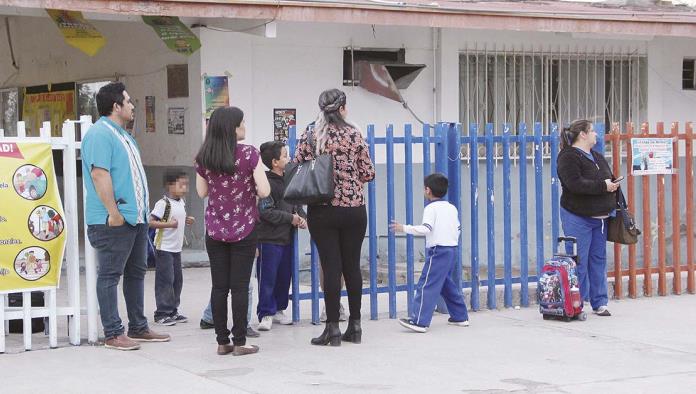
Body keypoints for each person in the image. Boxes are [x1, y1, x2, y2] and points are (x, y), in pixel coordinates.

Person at [82, 81, 170, 351]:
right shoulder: (99, 134)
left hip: (135, 219)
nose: (133, 106)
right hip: (113, 220)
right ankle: (112, 332)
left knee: (136, 273)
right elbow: (100, 174)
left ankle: (138, 327)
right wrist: (114, 213)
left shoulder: (124, 135)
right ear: (116, 105)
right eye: (129, 101)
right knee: (110, 274)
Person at [294, 88, 375, 346]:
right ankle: (356, 326)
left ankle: (332, 329)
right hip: (354, 210)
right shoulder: (355, 134)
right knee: (352, 266)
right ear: (342, 108)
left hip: (323, 209)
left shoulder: (312, 134)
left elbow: (298, 163)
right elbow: (368, 174)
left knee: (331, 266)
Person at [195, 106, 270, 356]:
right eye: (242, 123)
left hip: (215, 230)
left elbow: (202, 192)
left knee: (219, 287)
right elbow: (265, 190)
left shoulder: (204, 157)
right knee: (239, 287)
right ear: (232, 128)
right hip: (244, 229)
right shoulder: (249, 154)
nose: (245, 127)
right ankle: (240, 342)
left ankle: (222, 342)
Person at [390, 173, 470, 332]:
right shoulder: (451, 207)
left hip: (438, 251)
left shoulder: (430, 208)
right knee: (446, 284)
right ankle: (460, 316)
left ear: (427, 190)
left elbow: (426, 228)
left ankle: (419, 321)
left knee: (426, 284)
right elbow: (458, 228)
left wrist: (404, 228)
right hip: (451, 249)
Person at [557, 119, 618, 317]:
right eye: (592, 131)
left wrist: (613, 184)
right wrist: (603, 186)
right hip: (578, 216)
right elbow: (575, 184)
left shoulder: (597, 156)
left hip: (600, 218)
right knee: (578, 261)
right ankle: (576, 303)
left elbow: (606, 177)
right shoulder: (568, 157)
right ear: (582, 134)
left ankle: (599, 302)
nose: (596, 135)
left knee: (598, 260)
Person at [256, 141, 307, 331]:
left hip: (287, 238)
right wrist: (291, 218)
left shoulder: (289, 179)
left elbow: (297, 205)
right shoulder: (266, 183)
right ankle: (265, 313)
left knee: (284, 277)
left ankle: (278, 309)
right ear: (275, 162)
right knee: (267, 278)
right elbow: (265, 211)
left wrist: (301, 218)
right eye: (285, 155)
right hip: (268, 239)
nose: (289, 158)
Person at [149, 169, 195, 326]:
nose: (185, 188)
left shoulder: (180, 203)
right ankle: (161, 312)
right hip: (164, 248)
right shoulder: (163, 204)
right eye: (181, 185)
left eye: (186, 185)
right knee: (165, 280)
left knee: (177, 280)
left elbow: (179, 218)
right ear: (169, 185)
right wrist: (169, 224)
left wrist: (186, 220)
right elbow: (151, 222)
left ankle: (173, 310)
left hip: (176, 248)